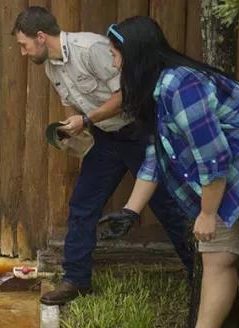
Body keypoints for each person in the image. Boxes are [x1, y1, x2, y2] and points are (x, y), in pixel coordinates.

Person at [11, 6, 194, 306]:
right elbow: (75, 105)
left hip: (138, 133)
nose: (23, 51)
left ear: (41, 37)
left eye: (24, 44)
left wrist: (87, 120)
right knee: (82, 205)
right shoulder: (50, 66)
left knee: (168, 207)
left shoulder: (91, 49)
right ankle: (76, 280)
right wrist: (75, 132)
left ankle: (198, 275)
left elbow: (126, 94)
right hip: (105, 139)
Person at [105, 16, 239, 328]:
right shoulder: (160, 91)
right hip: (229, 182)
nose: (113, 63)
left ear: (135, 55)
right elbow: (157, 158)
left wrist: (207, 213)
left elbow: (214, 157)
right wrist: (130, 210)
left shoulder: (181, 85)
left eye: (115, 54)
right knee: (217, 259)